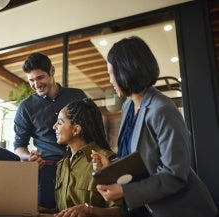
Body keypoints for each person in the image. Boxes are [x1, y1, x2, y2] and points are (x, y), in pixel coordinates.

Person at [91, 36, 218, 217]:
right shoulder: (128, 105)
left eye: (111, 73)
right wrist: (109, 166)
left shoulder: (163, 109)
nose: (110, 80)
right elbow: (139, 158)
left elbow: (175, 174)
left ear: (127, 70)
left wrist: (126, 191)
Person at [13, 52, 87, 209]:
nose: (36, 84)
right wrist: (29, 157)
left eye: (40, 78)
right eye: (31, 80)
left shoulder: (77, 96)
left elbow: (92, 130)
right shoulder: (26, 107)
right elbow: (18, 146)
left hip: (79, 170)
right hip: (46, 172)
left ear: (52, 71)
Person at [52, 98, 122, 217]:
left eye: (59, 122)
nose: (54, 127)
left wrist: (89, 210)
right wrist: (40, 210)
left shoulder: (105, 160)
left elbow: (119, 211)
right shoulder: (62, 165)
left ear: (76, 130)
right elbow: (64, 210)